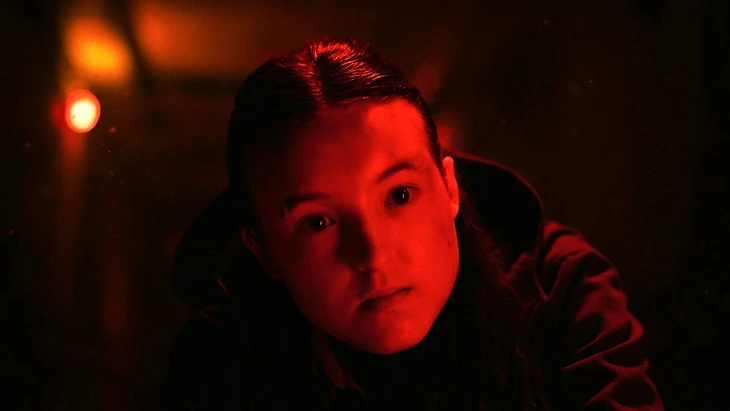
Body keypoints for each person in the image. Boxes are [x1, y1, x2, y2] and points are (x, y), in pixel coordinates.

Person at [160, 39, 664, 410]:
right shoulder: (219, 362)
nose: (373, 255)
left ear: (449, 187)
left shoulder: (561, 289)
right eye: (318, 222)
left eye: (400, 195)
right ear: (264, 248)